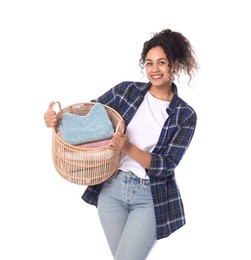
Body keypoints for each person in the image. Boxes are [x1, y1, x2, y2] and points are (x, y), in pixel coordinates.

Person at [44, 28, 199, 260]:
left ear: (174, 65)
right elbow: (89, 114)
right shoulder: (126, 91)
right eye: (149, 63)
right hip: (112, 190)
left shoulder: (185, 115)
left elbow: (166, 165)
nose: (154, 70)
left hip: (150, 197)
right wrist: (55, 120)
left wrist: (128, 148)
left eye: (161, 63)